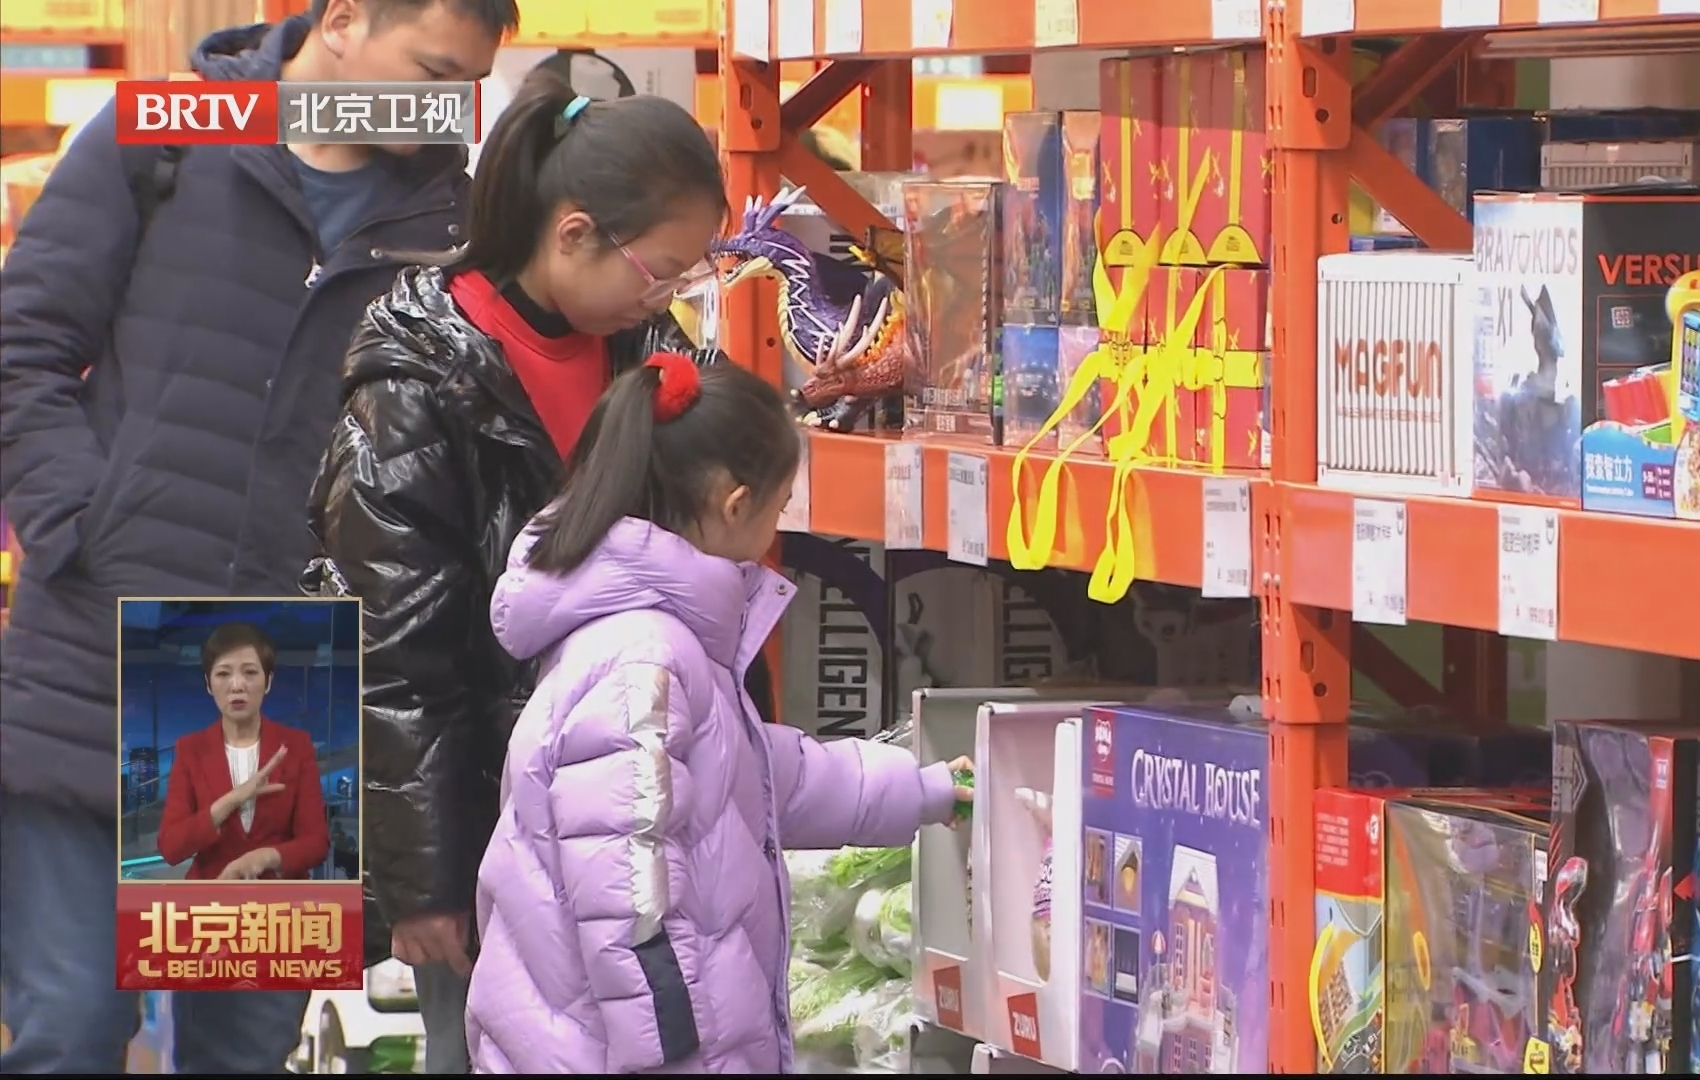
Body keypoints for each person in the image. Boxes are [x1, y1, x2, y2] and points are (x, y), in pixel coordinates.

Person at [0, 1, 515, 1072]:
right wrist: (76, 520)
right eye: (425, 69)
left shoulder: (454, 224)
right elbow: (25, 341)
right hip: (95, 647)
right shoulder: (165, 135)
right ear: (341, 21)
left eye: (460, 86)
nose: (436, 110)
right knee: (69, 1027)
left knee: (243, 1052)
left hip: (293, 683)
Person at [303, 73, 769, 1074]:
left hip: (640, 821)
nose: (668, 296)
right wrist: (423, 878)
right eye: (660, 270)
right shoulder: (416, 390)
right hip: (490, 835)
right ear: (572, 234)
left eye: (685, 279)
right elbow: (396, 653)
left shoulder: (646, 357)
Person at [465, 355, 972, 1073]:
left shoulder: (659, 644)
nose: (776, 527)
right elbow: (628, 897)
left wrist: (919, 790)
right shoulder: (643, 659)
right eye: (780, 504)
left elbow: (761, 778)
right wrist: (674, 1056)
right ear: (737, 506)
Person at [154, 622, 331, 884]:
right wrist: (233, 799)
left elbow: (316, 843)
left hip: (280, 904)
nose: (237, 685)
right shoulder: (190, 749)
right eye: (223, 674)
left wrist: (265, 857)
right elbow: (170, 847)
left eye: (250, 672)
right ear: (208, 684)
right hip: (212, 901)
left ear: (268, 681)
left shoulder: (296, 746)